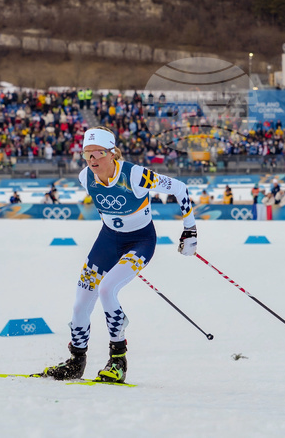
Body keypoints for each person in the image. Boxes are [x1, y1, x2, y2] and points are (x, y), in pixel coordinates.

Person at [41, 127, 196, 384]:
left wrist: (190, 231)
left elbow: (179, 188)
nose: (92, 161)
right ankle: (76, 361)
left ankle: (118, 361)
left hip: (140, 242)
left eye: (97, 154)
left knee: (107, 290)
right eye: (86, 154)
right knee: (81, 303)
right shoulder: (84, 177)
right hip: (108, 240)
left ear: (112, 153)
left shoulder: (135, 175)